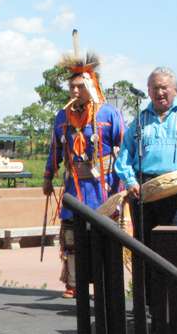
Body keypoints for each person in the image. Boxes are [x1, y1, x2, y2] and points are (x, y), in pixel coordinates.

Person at [43, 35, 125, 299]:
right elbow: (55, 149)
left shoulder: (108, 114)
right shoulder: (62, 116)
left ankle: (104, 282)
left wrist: (122, 185)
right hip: (74, 187)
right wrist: (47, 176)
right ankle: (74, 283)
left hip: (102, 187)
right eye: (72, 87)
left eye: (80, 86)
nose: (75, 91)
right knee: (72, 237)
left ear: (91, 85)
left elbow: (123, 151)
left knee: (103, 236)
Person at [114, 67, 177, 249]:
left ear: (175, 90)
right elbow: (125, 155)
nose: (159, 92)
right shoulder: (139, 120)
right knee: (145, 248)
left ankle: (175, 279)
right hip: (144, 190)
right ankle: (145, 279)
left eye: (164, 87)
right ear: (148, 91)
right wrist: (130, 180)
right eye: (154, 88)